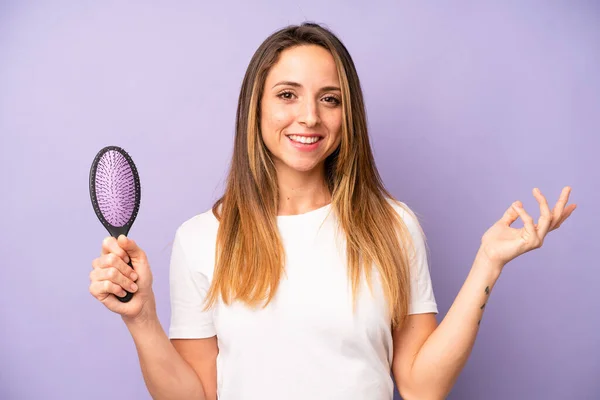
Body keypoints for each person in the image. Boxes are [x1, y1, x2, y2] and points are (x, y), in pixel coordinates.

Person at [89, 22, 576, 400]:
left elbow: (422, 386)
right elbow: (195, 395)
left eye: (330, 99)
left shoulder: (390, 226)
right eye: (287, 95)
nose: (310, 117)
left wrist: (487, 263)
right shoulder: (202, 238)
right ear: (254, 108)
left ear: (349, 116)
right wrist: (143, 319)